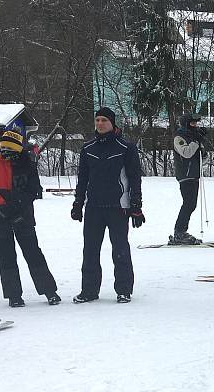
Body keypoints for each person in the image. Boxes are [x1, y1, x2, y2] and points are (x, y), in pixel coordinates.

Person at [71, 107, 144, 304]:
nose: (100, 123)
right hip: (94, 207)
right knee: (90, 250)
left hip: (118, 207)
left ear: (113, 123)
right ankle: (89, 290)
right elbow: (83, 179)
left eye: (104, 120)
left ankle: (123, 290)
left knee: (120, 249)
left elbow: (134, 178)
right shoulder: (88, 148)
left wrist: (136, 206)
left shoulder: (126, 148)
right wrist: (78, 203)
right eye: (97, 120)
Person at [0, 130, 59, 307]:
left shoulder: (28, 165)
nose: (5, 151)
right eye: (3, 148)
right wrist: (4, 208)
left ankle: (49, 291)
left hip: (23, 217)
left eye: (9, 148)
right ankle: (13, 295)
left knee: (33, 254)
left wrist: (16, 207)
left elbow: (34, 191)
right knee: (6, 257)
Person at [171, 113, 206, 244]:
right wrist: (196, 141)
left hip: (194, 174)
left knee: (191, 204)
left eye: (196, 123)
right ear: (186, 123)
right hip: (185, 175)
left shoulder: (194, 137)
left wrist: (202, 151)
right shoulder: (179, 137)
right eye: (192, 123)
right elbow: (186, 153)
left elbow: (203, 158)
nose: (195, 126)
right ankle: (179, 231)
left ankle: (181, 231)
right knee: (188, 204)